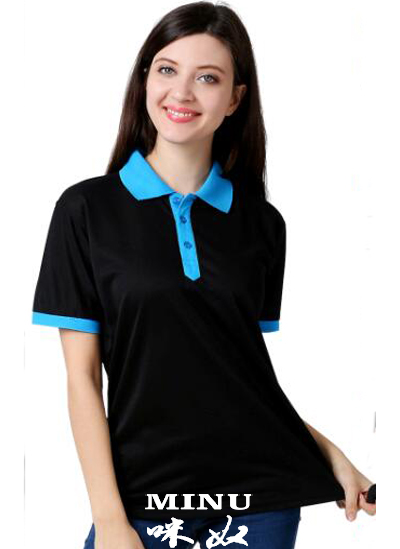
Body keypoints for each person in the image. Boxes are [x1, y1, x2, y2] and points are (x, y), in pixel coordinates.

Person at [31, 2, 376, 548]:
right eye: (167, 69)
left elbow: (235, 379)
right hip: (143, 503)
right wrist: (111, 519)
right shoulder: (86, 211)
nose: (182, 92)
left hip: (259, 504)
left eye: (208, 78)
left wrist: (330, 456)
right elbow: (82, 381)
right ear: (145, 79)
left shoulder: (262, 224)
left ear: (236, 98)